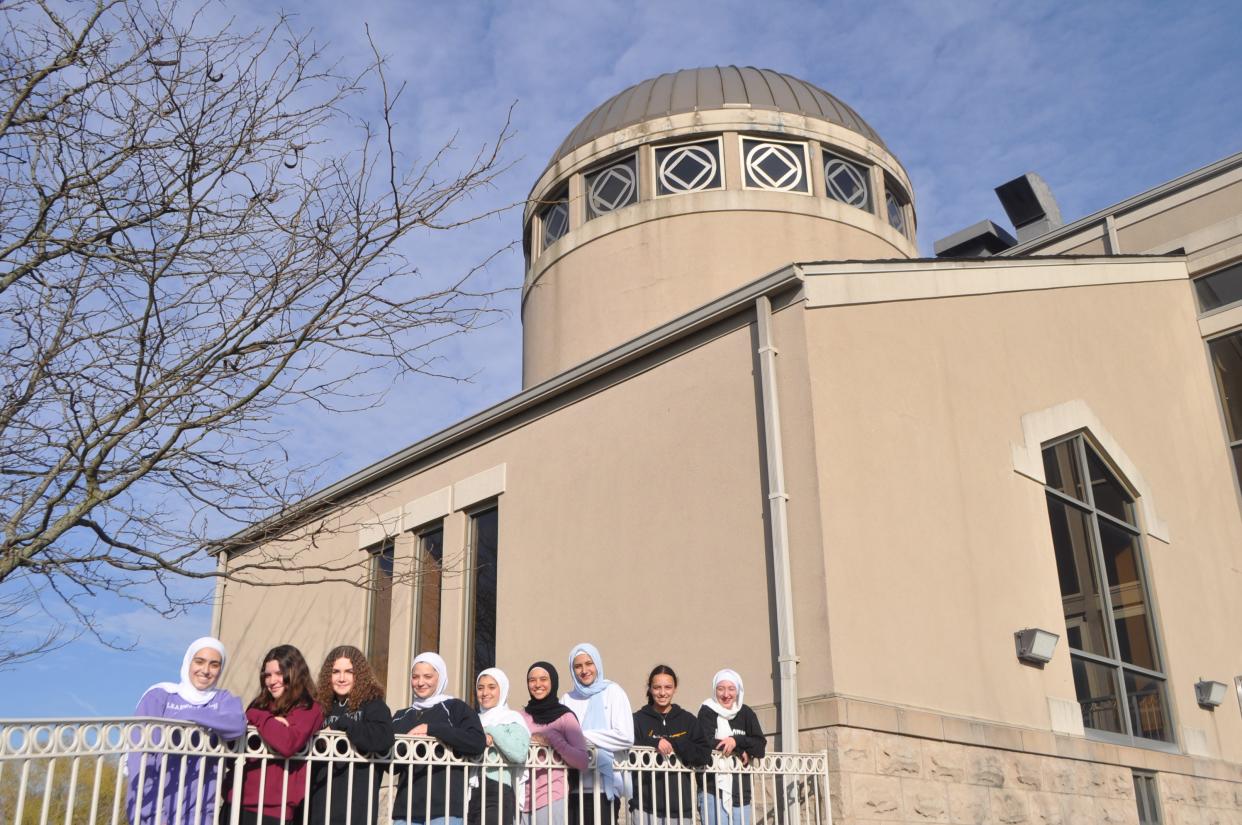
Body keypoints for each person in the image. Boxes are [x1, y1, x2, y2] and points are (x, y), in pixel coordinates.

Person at [127, 636, 247, 825]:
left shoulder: (222, 699)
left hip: (199, 808)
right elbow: (140, 754)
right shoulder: (161, 694)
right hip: (156, 804)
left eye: (214, 665)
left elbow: (236, 725)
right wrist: (149, 810)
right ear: (188, 661)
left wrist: (191, 715)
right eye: (199, 662)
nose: (206, 670)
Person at [231, 645, 325, 824]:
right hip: (235, 800)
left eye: (279, 673)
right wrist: (268, 722)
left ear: (295, 672)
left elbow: (288, 742)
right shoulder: (259, 705)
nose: (272, 680)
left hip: (273, 810)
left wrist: (259, 719)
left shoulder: (309, 707)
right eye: (267, 675)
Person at [390, 652, 487, 825]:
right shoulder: (401, 716)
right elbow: (391, 765)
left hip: (445, 810)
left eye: (428, 676)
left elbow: (477, 742)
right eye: (415, 677)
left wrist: (431, 729)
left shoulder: (455, 708)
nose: (420, 682)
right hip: (405, 811)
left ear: (440, 677)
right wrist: (407, 742)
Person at [307, 645, 394, 825]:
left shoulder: (372, 704)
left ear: (359, 675)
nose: (341, 678)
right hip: (319, 806)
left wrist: (342, 724)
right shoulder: (320, 707)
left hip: (356, 809)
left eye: (348, 672)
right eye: (336, 672)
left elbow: (383, 738)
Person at [560, 643, 634, 825]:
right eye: (578, 666)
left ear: (597, 664)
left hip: (605, 788)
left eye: (589, 663)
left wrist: (580, 736)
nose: (584, 670)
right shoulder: (567, 699)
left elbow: (625, 736)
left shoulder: (613, 692)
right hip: (574, 787)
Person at [629, 665, 712, 825]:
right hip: (645, 808)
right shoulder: (637, 720)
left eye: (668, 687)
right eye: (657, 687)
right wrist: (655, 742)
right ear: (650, 689)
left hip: (680, 810)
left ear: (675, 689)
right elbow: (628, 748)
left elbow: (704, 755)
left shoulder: (688, 720)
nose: (662, 692)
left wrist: (675, 742)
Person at [518, 662, 590, 825]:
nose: (537, 685)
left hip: (552, 795)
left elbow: (582, 761)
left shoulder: (565, 717)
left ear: (553, 682)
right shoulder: (519, 717)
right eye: (532, 680)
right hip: (523, 798)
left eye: (543, 679)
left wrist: (552, 739)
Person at [696, 669, 765, 825]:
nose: (726, 694)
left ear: (738, 691)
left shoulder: (746, 713)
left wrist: (736, 740)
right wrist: (740, 749)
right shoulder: (707, 711)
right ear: (715, 690)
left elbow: (760, 746)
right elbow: (705, 742)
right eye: (721, 689)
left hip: (741, 791)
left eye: (731, 689)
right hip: (712, 789)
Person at [468, 667, 532, 825]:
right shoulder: (473, 719)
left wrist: (490, 730)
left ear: (502, 689)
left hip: (497, 790)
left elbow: (519, 753)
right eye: (480, 687)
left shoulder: (512, 717)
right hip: (471, 789)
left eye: (492, 687)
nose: (485, 693)